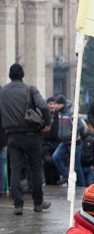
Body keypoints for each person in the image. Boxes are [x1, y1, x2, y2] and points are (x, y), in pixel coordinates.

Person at [0, 63, 52, 215]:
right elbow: (44, 106)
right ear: (22, 75)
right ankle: (38, 203)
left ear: (10, 75)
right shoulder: (30, 89)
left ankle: (18, 205)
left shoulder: (2, 92)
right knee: (35, 169)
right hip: (30, 134)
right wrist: (47, 124)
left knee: (15, 170)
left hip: (12, 136)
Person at [51, 95, 87, 187]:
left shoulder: (71, 113)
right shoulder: (59, 114)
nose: (56, 106)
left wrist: (72, 132)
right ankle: (66, 175)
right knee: (56, 157)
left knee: (77, 166)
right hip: (64, 142)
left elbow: (81, 126)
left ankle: (81, 185)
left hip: (74, 143)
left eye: (57, 104)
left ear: (62, 104)